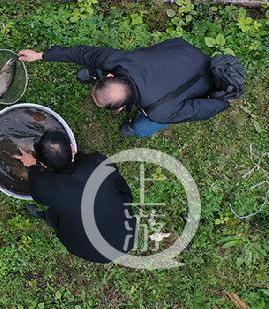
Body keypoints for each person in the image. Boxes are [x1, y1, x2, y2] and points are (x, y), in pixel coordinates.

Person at [17, 38, 231, 138]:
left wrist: (223, 101)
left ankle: (134, 128)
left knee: (146, 125)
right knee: (98, 61)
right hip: (183, 53)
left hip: (201, 75)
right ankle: (95, 72)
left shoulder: (162, 110)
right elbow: (82, 53)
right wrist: (40, 55)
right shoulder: (120, 60)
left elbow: (205, 109)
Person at [13, 130, 136, 264]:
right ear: (71, 148)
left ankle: (44, 216)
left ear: (44, 165)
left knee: (56, 214)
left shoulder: (46, 186)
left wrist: (31, 165)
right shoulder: (98, 161)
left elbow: (38, 193)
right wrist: (78, 157)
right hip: (126, 235)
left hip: (91, 249)